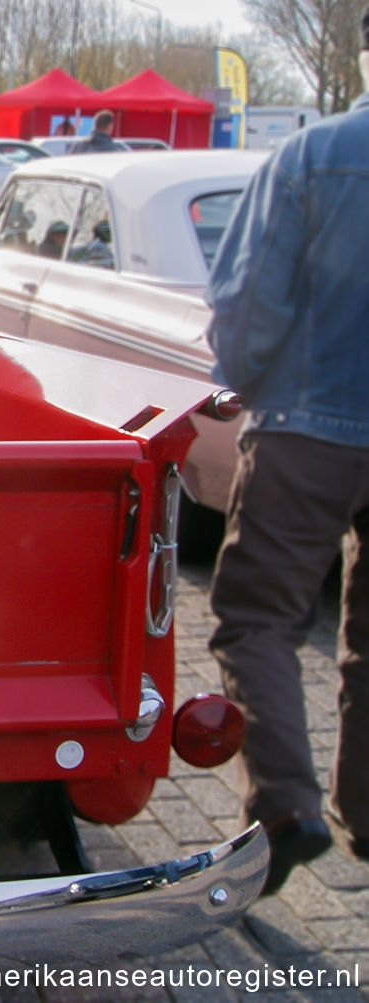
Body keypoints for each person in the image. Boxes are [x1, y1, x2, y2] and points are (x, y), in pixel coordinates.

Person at [203, 4, 369, 897]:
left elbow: (248, 301)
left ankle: (285, 807)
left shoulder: (313, 156)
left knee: (257, 617)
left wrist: (241, 376)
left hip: (310, 427)